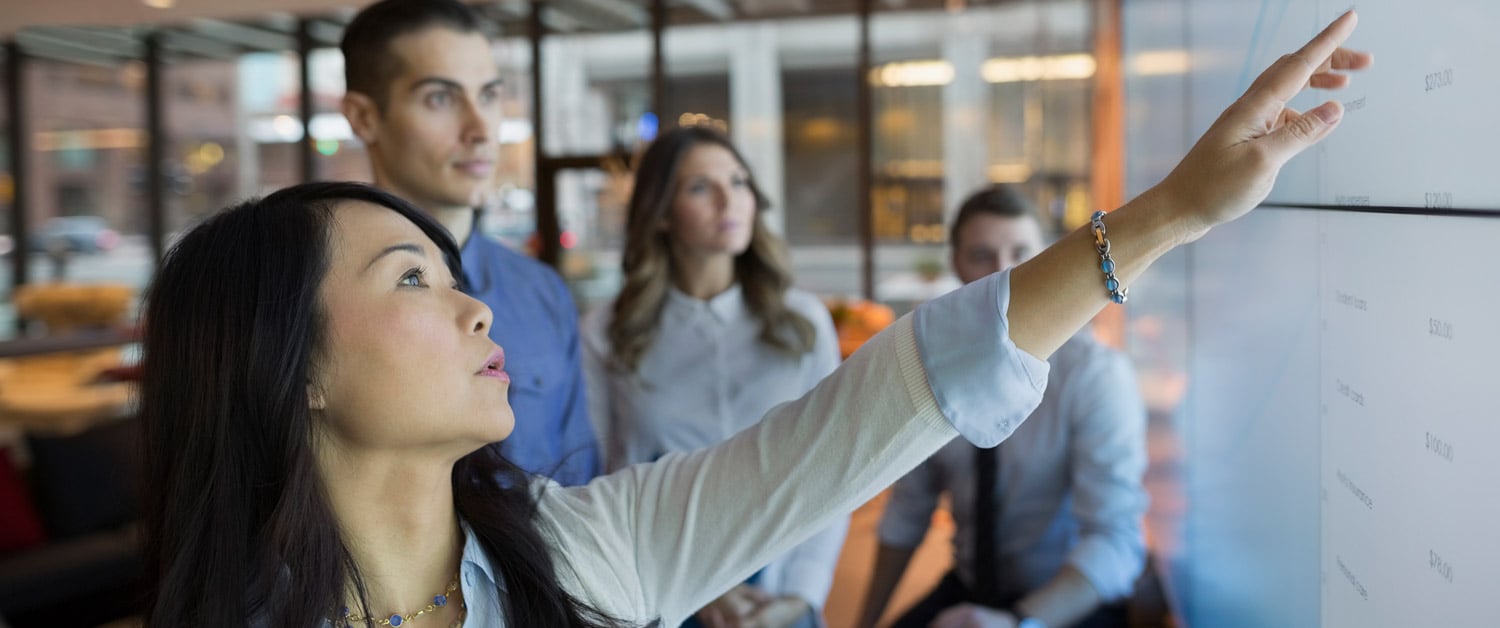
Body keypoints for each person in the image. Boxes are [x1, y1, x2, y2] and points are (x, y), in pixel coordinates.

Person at [137, 14, 1371, 627]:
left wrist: (1166, 217)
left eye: (451, 274)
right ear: (286, 364)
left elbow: (884, 402)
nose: (471, 302)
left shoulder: (578, 558)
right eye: (410, 280)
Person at [581, 126, 846, 627]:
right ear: (660, 213)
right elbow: (601, 482)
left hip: (783, 596)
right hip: (658, 594)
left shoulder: (803, 322)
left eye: (739, 181)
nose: (730, 200)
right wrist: (689, 586)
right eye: (700, 187)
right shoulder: (606, 332)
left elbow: (832, 468)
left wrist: (802, 595)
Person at [858, 185, 1147, 628]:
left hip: (1067, 600)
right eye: (981, 255)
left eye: (1021, 251)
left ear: (1049, 256)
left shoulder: (1093, 374)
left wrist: (1017, 623)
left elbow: (1115, 542)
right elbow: (907, 514)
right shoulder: (932, 368)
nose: (1004, 274)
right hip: (970, 586)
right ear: (955, 263)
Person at [339, 0, 599, 485]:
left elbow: (580, 485)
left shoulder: (541, 293)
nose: (480, 131)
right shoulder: (322, 298)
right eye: (441, 98)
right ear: (364, 117)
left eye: (490, 96)